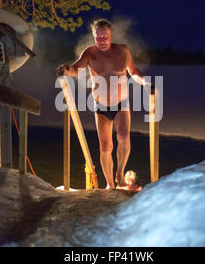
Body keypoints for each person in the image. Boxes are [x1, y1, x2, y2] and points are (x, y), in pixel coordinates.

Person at [56, 19, 153, 189]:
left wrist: (145, 82)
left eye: (105, 37)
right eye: (98, 38)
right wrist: (66, 69)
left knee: (123, 137)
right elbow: (75, 69)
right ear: (94, 37)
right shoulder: (90, 53)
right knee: (105, 146)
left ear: (111, 35)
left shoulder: (122, 51)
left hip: (121, 103)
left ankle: (120, 174)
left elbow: (134, 72)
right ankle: (110, 184)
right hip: (100, 106)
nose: (101, 41)